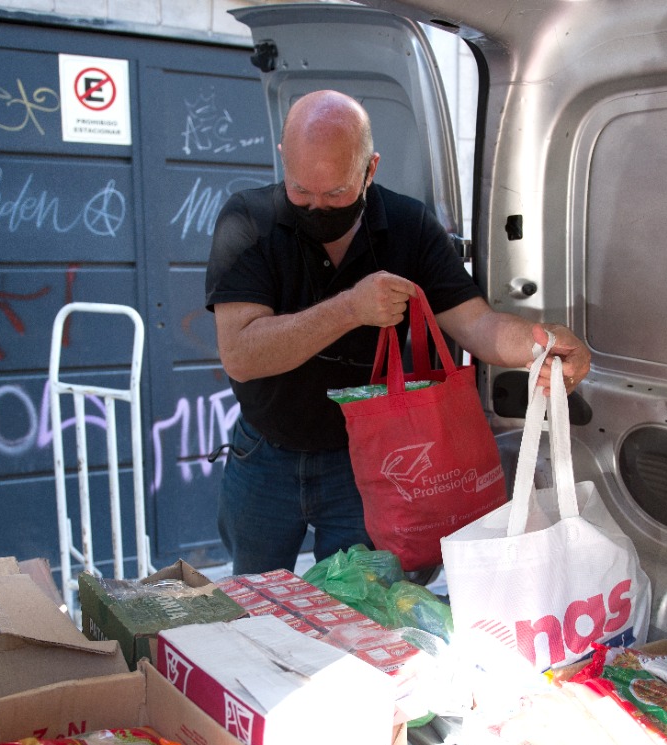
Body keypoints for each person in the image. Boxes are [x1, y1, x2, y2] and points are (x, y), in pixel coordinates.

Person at [205, 89, 590, 575]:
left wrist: (543, 343)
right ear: (283, 158)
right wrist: (350, 307)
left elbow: (476, 323)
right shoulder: (247, 221)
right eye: (301, 191)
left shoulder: (409, 226)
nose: (317, 207)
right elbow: (240, 353)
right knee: (252, 603)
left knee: (362, 608)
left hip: (370, 463)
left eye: (337, 193)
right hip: (264, 454)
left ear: (371, 168)